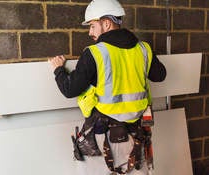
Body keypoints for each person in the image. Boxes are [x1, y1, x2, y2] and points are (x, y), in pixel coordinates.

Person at [48, 0, 166, 174]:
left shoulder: (95, 53)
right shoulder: (143, 49)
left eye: (92, 26)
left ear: (106, 23)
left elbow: (69, 89)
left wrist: (58, 69)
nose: (90, 32)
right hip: (136, 135)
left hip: (106, 138)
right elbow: (160, 75)